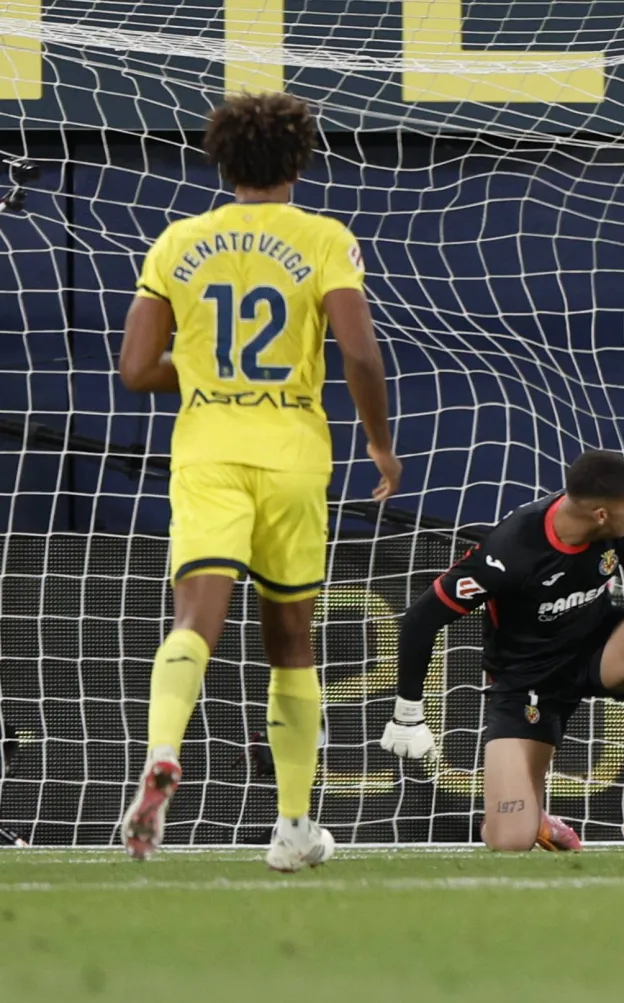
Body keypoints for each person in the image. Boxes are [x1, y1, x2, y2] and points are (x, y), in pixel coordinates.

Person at [117, 92, 401, 870]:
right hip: (294, 454)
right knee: (291, 642)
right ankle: (293, 826)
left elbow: (138, 368)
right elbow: (360, 353)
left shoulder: (178, 241)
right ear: (300, 161)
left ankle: (162, 753)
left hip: (209, 450)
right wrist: (379, 443)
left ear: (221, 161)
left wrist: (206, 373)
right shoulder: (323, 238)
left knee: (194, 621)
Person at [382, 450, 624, 850]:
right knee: (510, 841)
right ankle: (534, 817)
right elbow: (421, 618)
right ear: (600, 514)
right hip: (527, 682)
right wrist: (407, 712)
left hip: (600, 647)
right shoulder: (511, 551)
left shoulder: (622, 522)